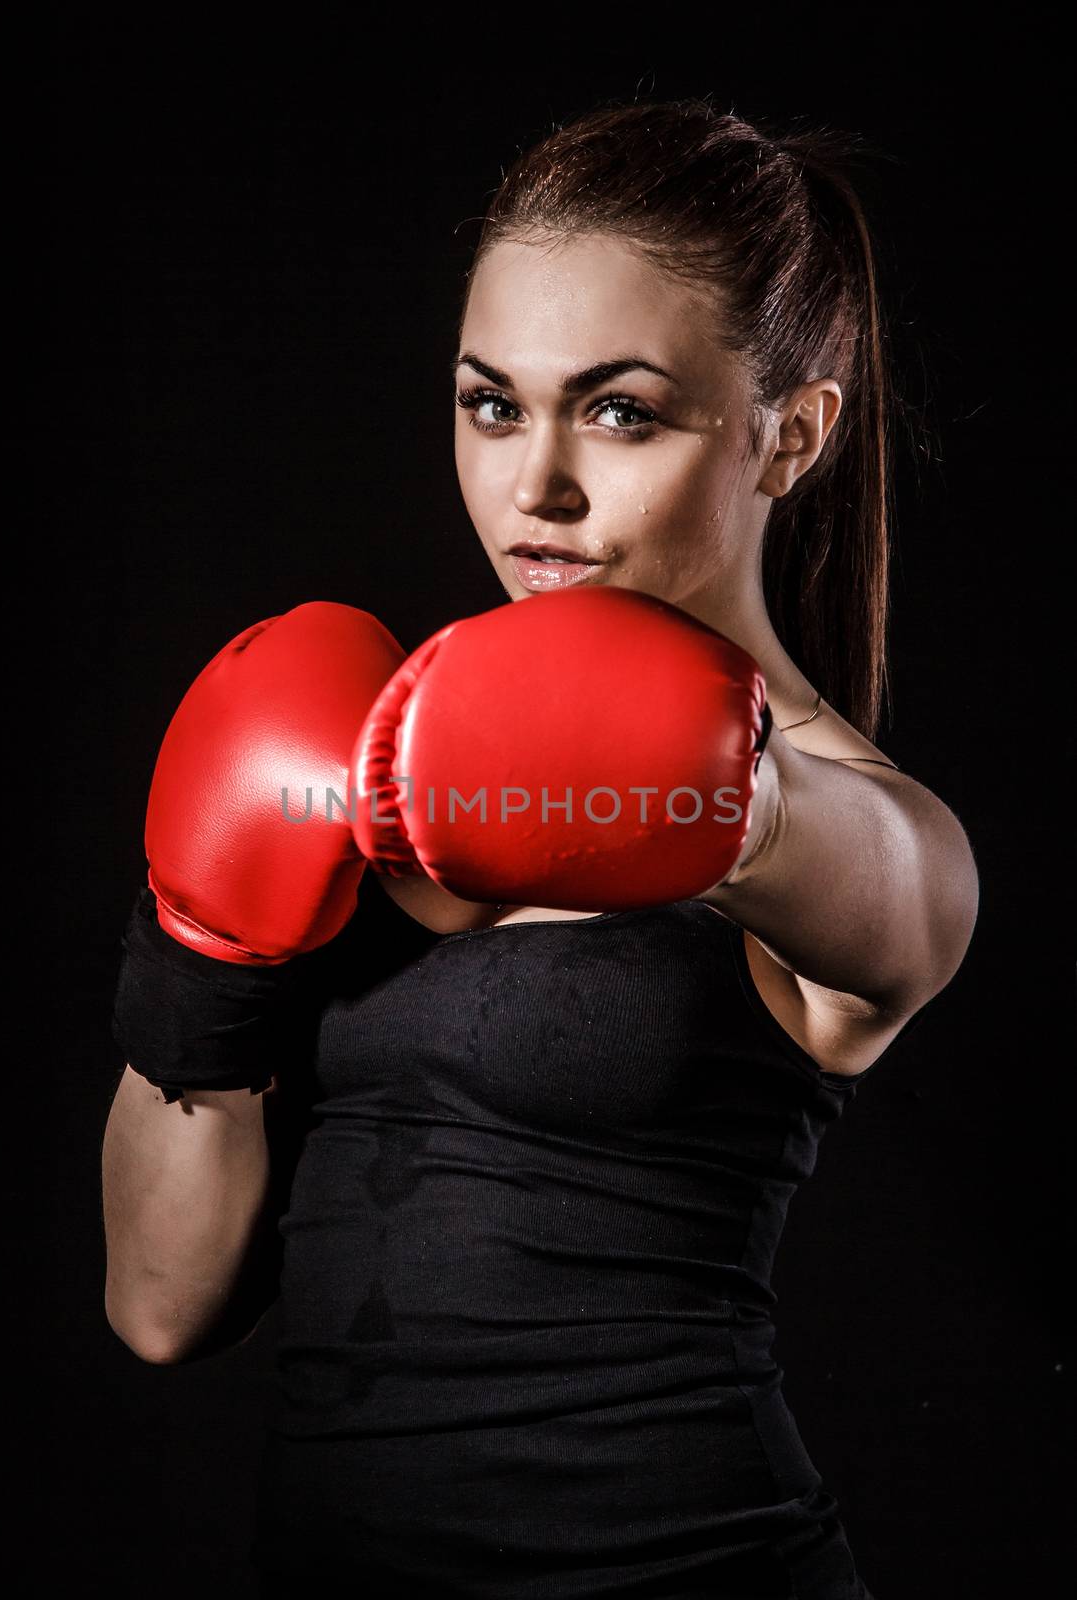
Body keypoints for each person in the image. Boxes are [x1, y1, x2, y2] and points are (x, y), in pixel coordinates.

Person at [102, 97, 979, 1597]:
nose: (536, 485)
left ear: (791, 435)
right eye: (493, 403)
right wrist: (201, 955)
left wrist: (736, 797)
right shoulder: (351, 755)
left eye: (621, 410)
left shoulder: (859, 827)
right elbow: (161, 1307)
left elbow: (890, 893)